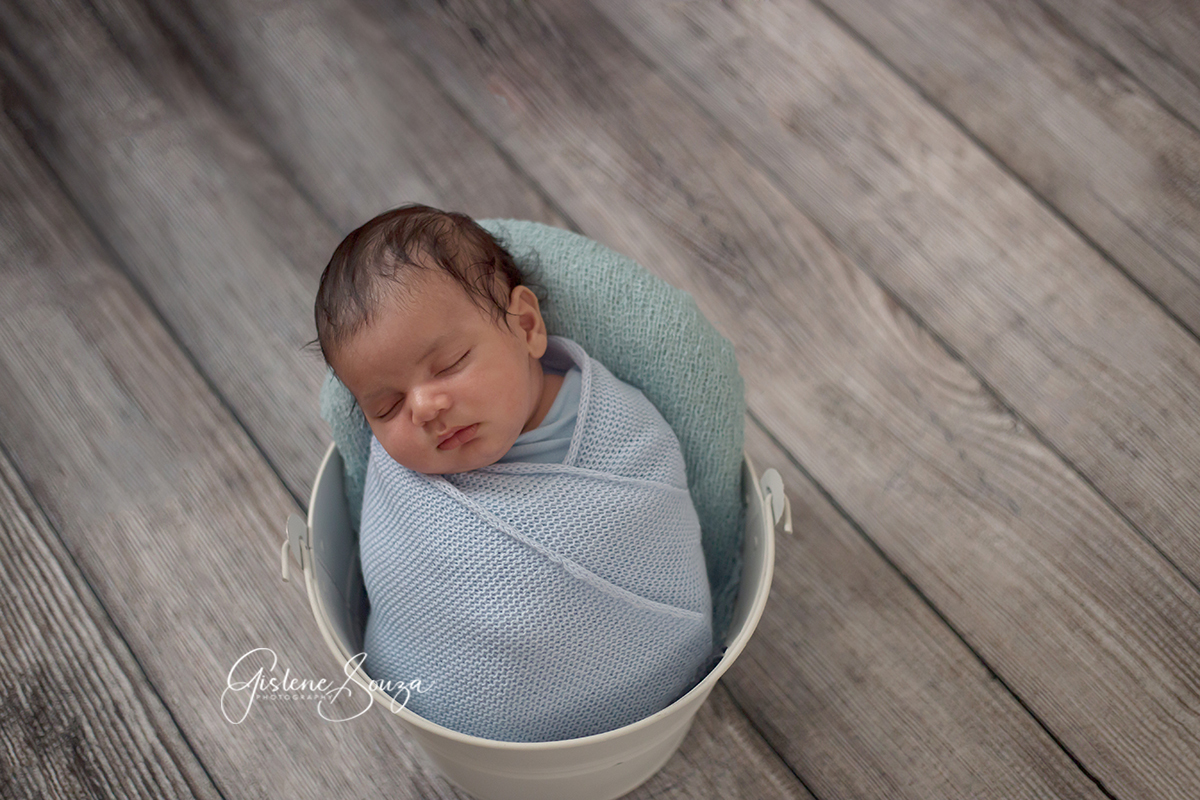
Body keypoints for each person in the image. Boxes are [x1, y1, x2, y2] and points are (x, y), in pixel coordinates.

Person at [313, 204, 713, 742]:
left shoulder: (620, 431)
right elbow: (402, 577)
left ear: (525, 326)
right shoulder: (404, 476)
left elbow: (652, 529)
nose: (425, 407)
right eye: (386, 406)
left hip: (640, 690)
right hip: (439, 716)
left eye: (450, 362)